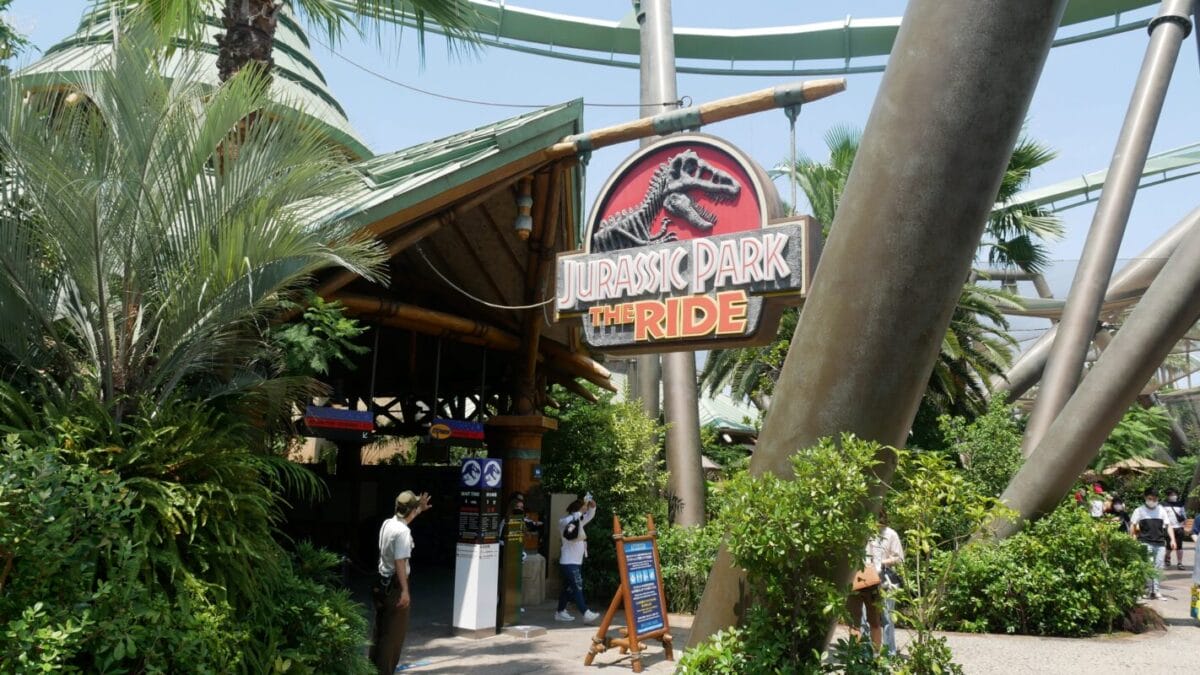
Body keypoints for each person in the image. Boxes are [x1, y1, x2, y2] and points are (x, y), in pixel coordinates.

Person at [371, 490, 432, 675]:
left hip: (381, 582)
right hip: (395, 586)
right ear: (410, 510)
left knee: (380, 632)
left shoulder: (388, 524)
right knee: (393, 636)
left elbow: (403, 522)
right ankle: (385, 671)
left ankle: (372, 669)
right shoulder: (404, 532)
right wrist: (405, 591)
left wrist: (417, 510)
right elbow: (400, 561)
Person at [555, 494, 600, 624]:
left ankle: (560, 612)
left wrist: (592, 506)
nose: (584, 510)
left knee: (568, 588)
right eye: (582, 508)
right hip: (569, 562)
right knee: (577, 587)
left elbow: (590, 515)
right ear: (577, 510)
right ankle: (585, 612)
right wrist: (580, 512)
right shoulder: (565, 521)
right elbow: (568, 521)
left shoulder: (578, 520)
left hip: (575, 562)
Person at [1129, 487, 1178, 600]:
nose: (1152, 501)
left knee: (1158, 567)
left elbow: (1168, 525)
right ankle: (1145, 590)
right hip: (1145, 542)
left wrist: (1173, 539)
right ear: (1145, 497)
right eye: (1150, 498)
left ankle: (1156, 591)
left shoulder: (1161, 510)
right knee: (1147, 566)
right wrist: (1131, 538)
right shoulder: (1139, 510)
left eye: (1155, 499)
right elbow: (1132, 525)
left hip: (1160, 543)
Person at [1163, 488, 1188, 570]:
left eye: (1174, 494)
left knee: (1179, 546)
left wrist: (1184, 522)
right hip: (1168, 528)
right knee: (1169, 546)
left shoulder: (1180, 504)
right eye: (1171, 495)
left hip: (1179, 527)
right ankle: (1167, 557)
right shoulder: (1164, 504)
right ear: (1168, 496)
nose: (1173, 496)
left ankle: (1180, 562)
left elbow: (1184, 515)